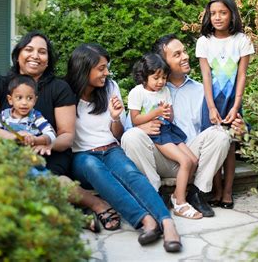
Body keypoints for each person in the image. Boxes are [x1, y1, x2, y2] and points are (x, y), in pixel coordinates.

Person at [0, 30, 119, 232]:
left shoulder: (59, 88)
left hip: (49, 154)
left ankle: (96, 204)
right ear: (18, 55)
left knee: (35, 178)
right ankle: (72, 217)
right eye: (29, 49)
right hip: (6, 153)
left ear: (48, 60)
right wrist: (18, 139)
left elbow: (67, 136)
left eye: (42, 52)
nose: (35, 55)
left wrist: (42, 143)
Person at [66, 43, 182, 252]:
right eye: (101, 68)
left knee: (131, 173)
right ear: (84, 69)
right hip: (82, 156)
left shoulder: (110, 87)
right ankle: (146, 221)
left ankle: (167, 223)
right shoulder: (66, 93)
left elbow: (117, 133)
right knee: (95, 168)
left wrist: (114, 117)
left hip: (111, 147)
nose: (107, 73)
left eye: (106, 67)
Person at [122, 34, 246, 217]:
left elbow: (221, 123)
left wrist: (240, 128)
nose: (186, 57)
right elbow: (127, 129)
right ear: (162, 62)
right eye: (177, 54)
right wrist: (140, 128)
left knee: (221, 134)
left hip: (192, 156)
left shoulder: (202, 90)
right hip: (160, 156)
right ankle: (153, 193)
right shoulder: (148, 91)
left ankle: (197, 194)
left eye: (185, 51)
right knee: (131, 136)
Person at [196, 0, 254, 208]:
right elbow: (205, 76)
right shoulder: (204, 42)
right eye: (213, 13)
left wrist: (237, 105)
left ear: (232, 14)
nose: (217, 17)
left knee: (229, 146)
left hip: (232, 101)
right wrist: (211, 107)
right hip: (211, 103)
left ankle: (228, 192)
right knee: (213, 145)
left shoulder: (242, 41)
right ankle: (216, 189)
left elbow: (242, 75)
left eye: (222, 12)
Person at [128, 53, 202, 219]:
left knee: (194, 161)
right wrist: (156, 112)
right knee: (185, 161)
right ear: (144, 76)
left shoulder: (165, 90)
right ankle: (181, 203)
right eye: (156, 78)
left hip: (169, 130)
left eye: (163, 77)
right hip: (157, 134)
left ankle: (176, 195)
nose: (160, 82)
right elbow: (135, 120)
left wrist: (167, 113)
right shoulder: (137, 93)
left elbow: (170, 117)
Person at [0, 74, 57, 147]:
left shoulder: (36, 117)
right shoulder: (3, 117)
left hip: (30, 154)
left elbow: (52, 134)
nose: (24, 103)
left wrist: (36, 140)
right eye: (19, 97)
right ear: (10, 99)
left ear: (35, 100)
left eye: (29, 98)